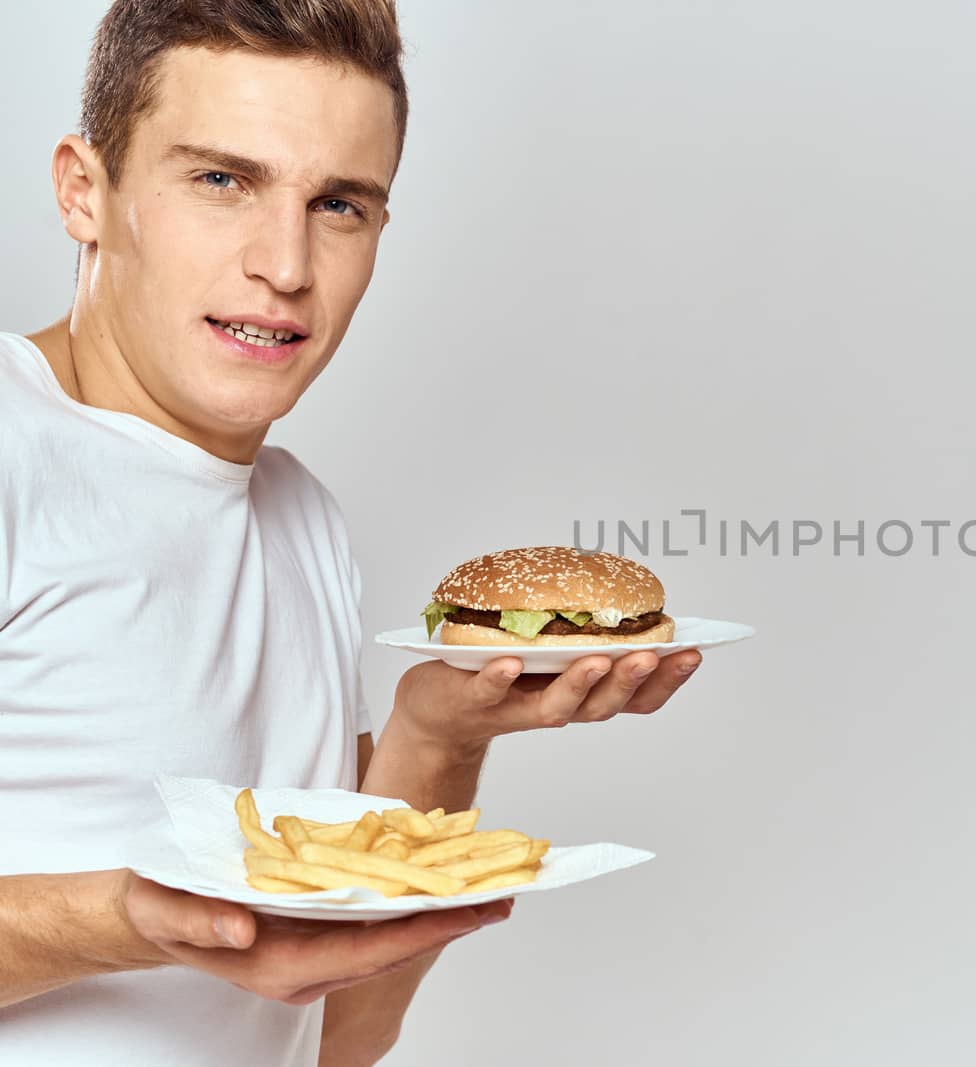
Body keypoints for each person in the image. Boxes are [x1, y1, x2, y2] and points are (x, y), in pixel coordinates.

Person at [0, 2, 702, 1063]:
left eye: (338, 203)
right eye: (221, 180)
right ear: (83, 190)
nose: (284, 265)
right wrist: (127, 916)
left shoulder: (302, 519)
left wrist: (437, 735)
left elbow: (336, 1034)